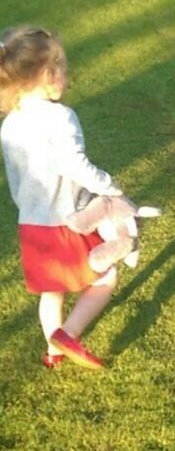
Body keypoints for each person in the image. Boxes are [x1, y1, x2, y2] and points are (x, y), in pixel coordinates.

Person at [0, 25, 123, 370]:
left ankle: (54, 353)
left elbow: (15, 174)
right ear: (48, 74)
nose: (67, 77)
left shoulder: (10, 123)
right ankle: (67, 334)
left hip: (31, 223)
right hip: (67, 220)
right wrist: (109, 187)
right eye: (63, 69)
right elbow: (74, 165)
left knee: (51, 291)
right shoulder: (60, 117)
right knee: (105, 276)